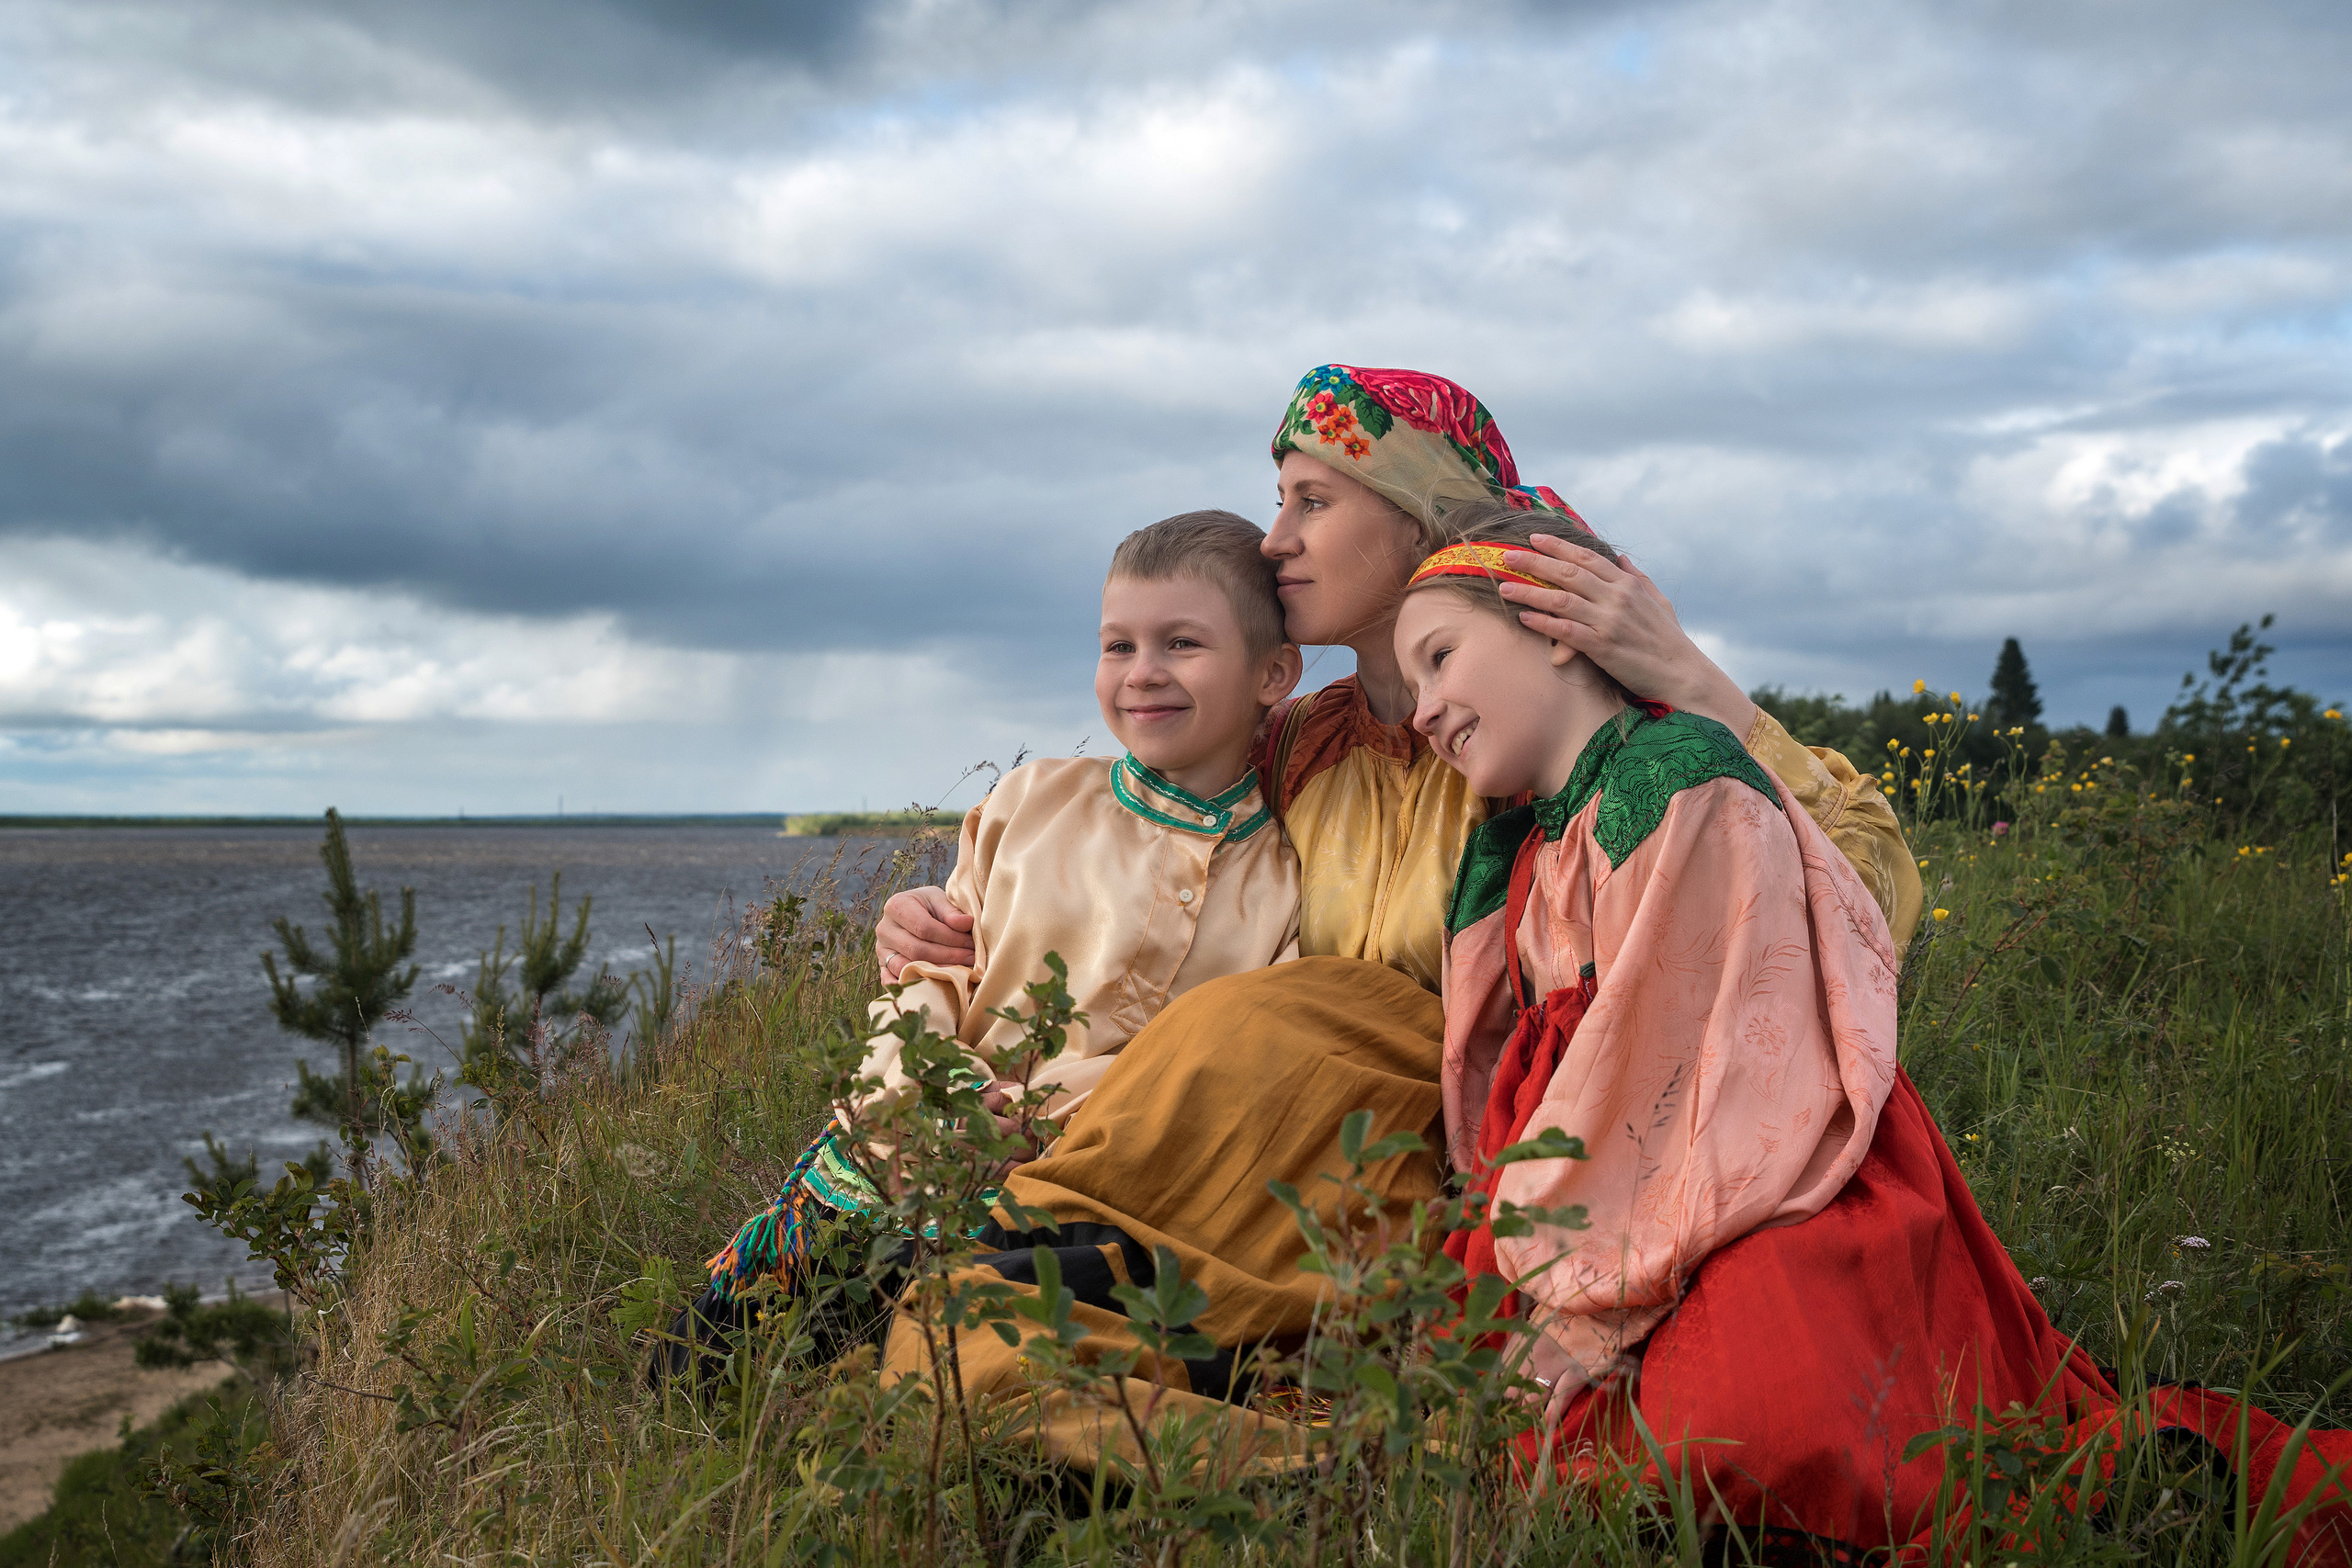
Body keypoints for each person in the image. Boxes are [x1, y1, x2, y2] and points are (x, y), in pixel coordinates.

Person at [857, 365, 1921, 1465]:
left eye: (1313, 503)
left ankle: (1288, 1436)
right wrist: (945, 910)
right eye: (1277, 501)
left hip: (1472, 1161)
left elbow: (1858, 900)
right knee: (971, 1357)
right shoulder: (1290, 739)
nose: (1274, 541)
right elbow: (1115, 868)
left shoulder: (1545, 726)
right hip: (1256, 1153)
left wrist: (1688, 674)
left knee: (995, 1345)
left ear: (1426, 517)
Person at [1408, 504, 2350, 1562]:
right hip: (1603, 1184)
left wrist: (1584, 1287)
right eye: (1412, 683)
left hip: (1765, 1158)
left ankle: (2114, 1490)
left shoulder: (1672, 782)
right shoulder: (1523, 845)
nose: (1423, 709)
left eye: (1440, 659)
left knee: (1758, 1416)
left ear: (1551, 624)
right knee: (1470, 1410)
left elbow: (1692, 1055)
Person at [671, 510, 1305, 1369]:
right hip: (912, 1141)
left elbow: (1218, 1067)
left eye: (1181, 644)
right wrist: (950, 1088)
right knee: (703, 1366)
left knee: (949, 1386)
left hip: (1079, 1191)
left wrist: (1044, 1121)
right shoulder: (1031, 800)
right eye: (1117, 645)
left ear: (1274, 673)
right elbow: (931, 968)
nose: (1142, 673)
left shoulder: (1282, 876)